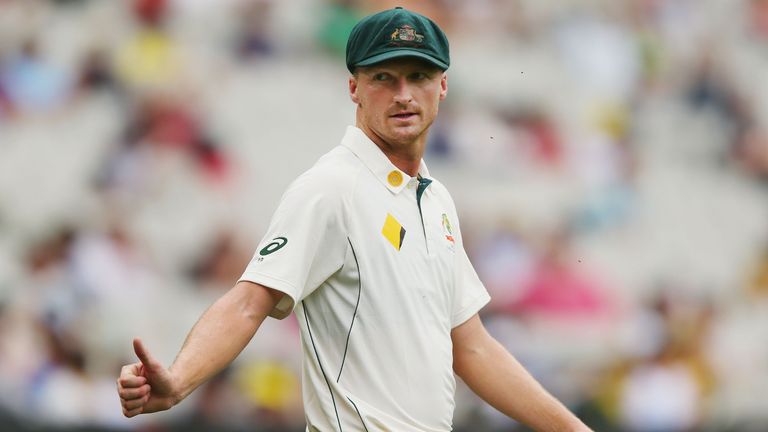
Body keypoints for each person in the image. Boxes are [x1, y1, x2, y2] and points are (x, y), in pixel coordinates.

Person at [117, 7, 592, 432]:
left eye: (418, 75)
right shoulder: (331, 188)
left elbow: (472, 349)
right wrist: (178, 381)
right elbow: (249, 301)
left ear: (443, 85)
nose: (403, 93)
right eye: (384, 77)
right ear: (354, 88)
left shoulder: (435, 200)